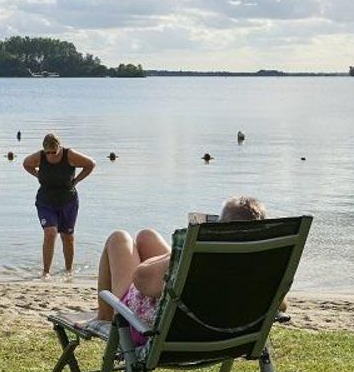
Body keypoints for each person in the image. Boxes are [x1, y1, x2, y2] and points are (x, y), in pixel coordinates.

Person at [95, 195, 267, 332]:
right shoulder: (258, 269)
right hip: (213, 331)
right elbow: (281, 303)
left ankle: (104, 317)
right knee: (147, 236)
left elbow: (140, 278)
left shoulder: (198, 259)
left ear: (219, 227)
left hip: (146, 327)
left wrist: (182, 253)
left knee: (119, 238)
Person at [22, 133, 96, 277]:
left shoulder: (69, 155)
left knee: (67, 236)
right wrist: (39, 175)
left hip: (68, 200)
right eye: (47, 152)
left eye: (53, 152)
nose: (50, 155)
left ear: (59, 147)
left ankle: (68, 271)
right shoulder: (40, 156)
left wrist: (77, 180)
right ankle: (46, 272)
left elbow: (90, 164)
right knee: (50, 233)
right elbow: (26, 164)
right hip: (46, 201)